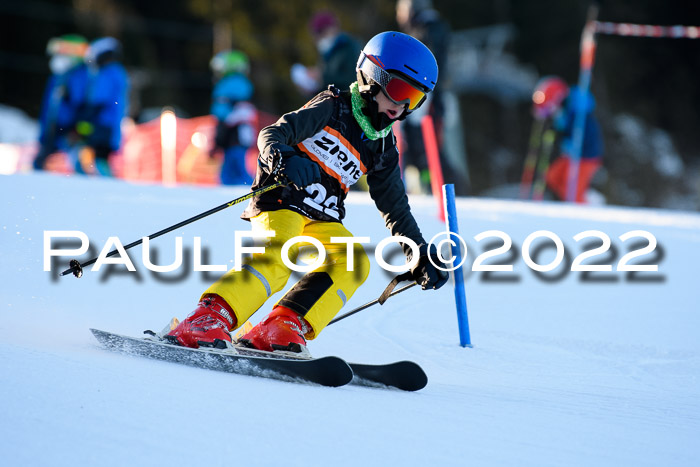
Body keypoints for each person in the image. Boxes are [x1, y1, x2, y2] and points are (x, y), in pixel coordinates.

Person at [165, 31, 448, 355]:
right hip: (283, 199)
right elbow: (272, 134)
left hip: (320, 217)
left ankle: (281, 325)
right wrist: (285, 159)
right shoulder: (333, 107)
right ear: (373, 77)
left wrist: (417, 252)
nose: (402, 106)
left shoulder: (383, 147)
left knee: (354, 262)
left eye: (415, 98)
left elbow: (395, 207)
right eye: (399, 91)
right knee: (277, 254)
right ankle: (208, 317)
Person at [395, 0, 453, 193]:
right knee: (414, 145)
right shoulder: (418, 29)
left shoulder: (429, 29)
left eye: (401, 11)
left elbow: (432, 64)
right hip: (416, 96)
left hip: (428, 98)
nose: (399, 16)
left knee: (429, 147)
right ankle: (424, 183)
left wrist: (425, 92)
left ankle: (441, 185)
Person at [33, 34, 89, 171]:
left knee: (69, 167)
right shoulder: (57, 77)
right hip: (52, 130)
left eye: (62, 51)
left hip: (67, 131)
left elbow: (80, 105)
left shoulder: (80, 76)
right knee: (40, 165)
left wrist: (76, 130)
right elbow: (49, 108)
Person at [74, 37, 129, 176]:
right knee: (91, 155)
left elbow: (100, 98)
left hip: (103, 124)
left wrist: (86, 114)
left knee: (99, 156)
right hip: (105, 123)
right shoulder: (114, 72)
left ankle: (107, 182)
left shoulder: (110, 72)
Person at [545, 85, 604, 203]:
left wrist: (574, 146)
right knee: (553, 177)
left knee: (574, 191)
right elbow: (566, 127)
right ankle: (574, 201)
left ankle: (584, 206)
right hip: (571, 155)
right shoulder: (571, 115)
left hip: (586, 158)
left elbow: (589, 140)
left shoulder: (585, 119)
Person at [209, 49, 256, 185]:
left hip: (234, 135)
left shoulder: (232, 84)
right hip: (235, 135)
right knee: (229, 172)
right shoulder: (241, 83)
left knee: (235, 172)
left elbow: (224, 113)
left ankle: (255, 190)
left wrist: (219, 138)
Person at [290, 11, 361, 95]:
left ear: (333, 28)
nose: (319, 38)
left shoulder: (350, 47)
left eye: (321, 32)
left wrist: (321, 77)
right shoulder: (326, 53)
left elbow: (353, 80)